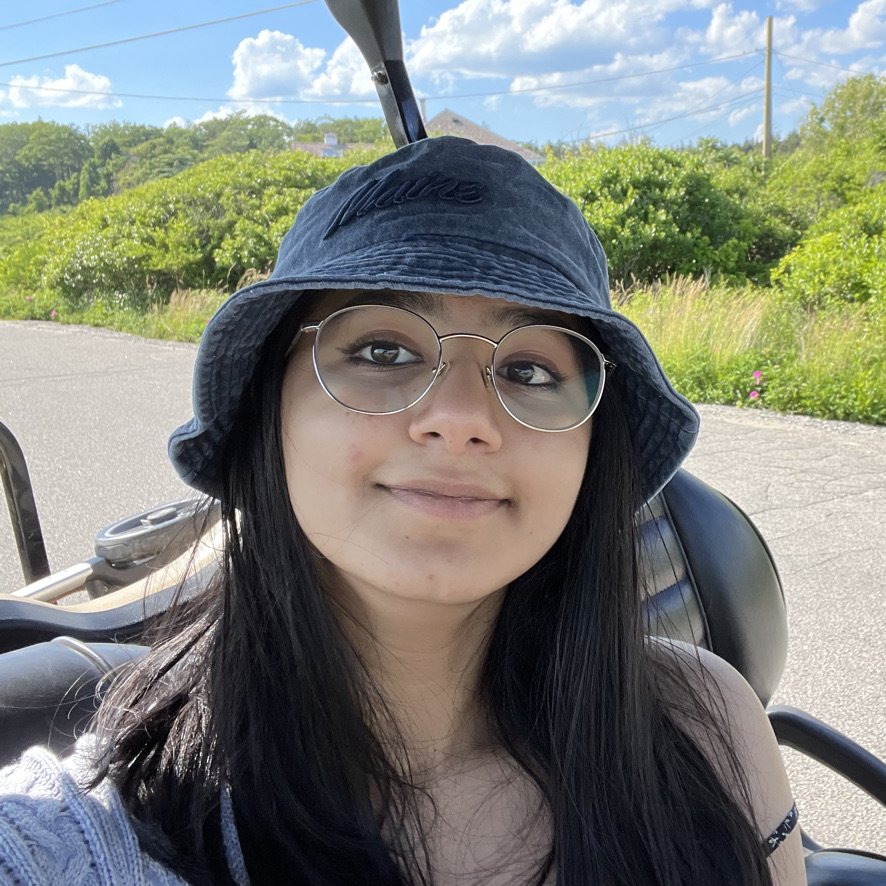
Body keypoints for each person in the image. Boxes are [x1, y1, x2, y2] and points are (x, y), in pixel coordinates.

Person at [0, 136, 805, 885]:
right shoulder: (79, 836)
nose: (458, 418)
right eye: (383, 351)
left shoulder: (707, 723)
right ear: (268, 415)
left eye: (528, 368)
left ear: (594, 448)